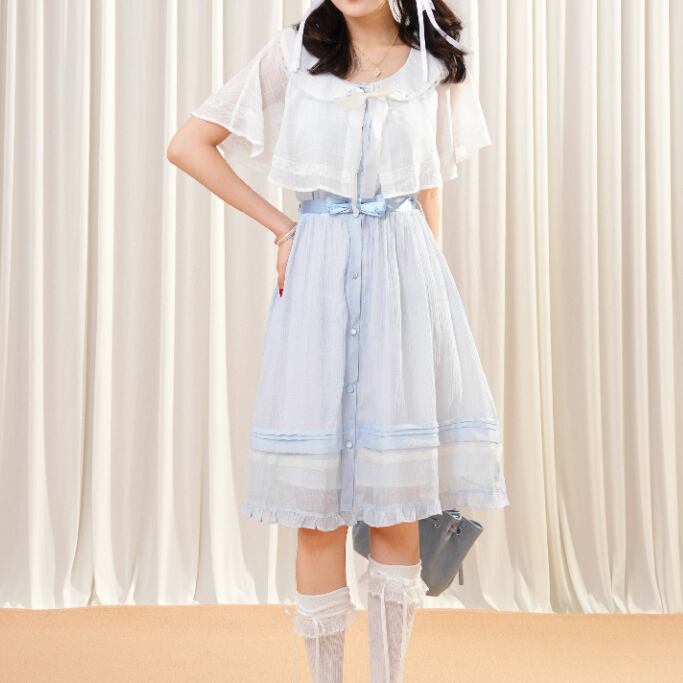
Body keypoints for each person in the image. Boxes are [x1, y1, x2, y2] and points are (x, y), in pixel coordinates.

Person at [167, 1, 510, 680]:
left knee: (397, 507)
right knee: (317, 512)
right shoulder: (290, 56)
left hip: (404, 282)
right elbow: (188, 144)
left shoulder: (434, 66)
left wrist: (425, 306)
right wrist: (283, 227)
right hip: (318, 284)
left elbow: (427, 191)